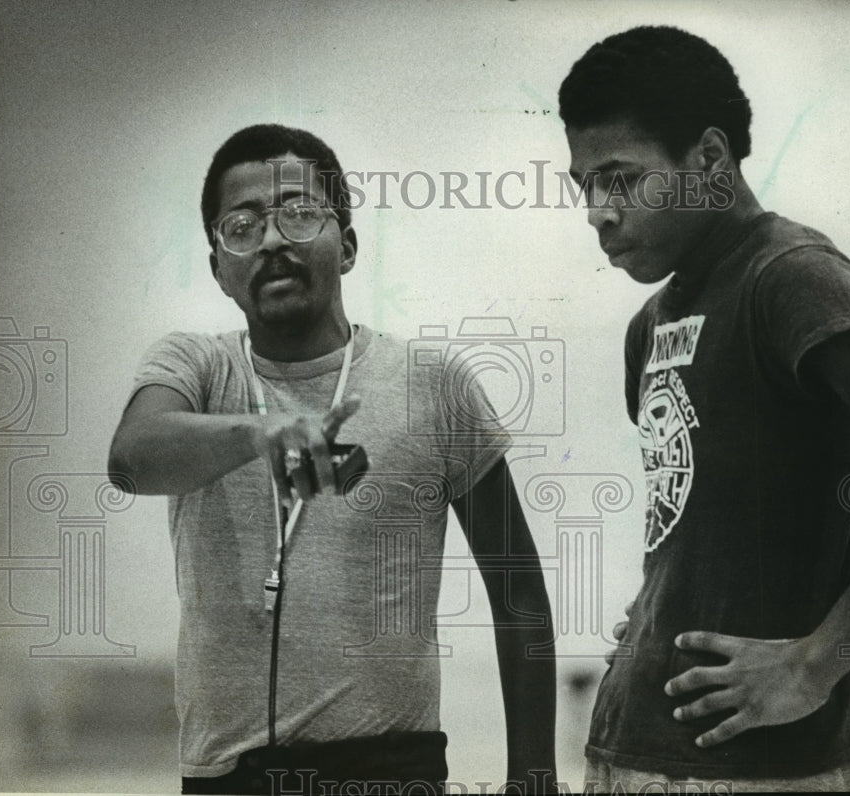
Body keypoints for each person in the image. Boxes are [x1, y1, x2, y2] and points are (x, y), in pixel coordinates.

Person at [557, 25, 850, 792]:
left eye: (620, 178)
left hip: (756, 765)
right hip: (634, 748)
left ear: (712, 161)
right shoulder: (648, 327)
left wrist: (814, 664)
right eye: (583, 184)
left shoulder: (790, 274)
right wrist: (659, 609)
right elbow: (695, 515)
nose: (597, 211)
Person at [108, 124, 556, 795]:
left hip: (393, 769)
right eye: (242, 224)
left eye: (298, 213)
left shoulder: (432, 383)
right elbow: (131, 460)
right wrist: (262, 433)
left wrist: (535, 777)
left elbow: (517, 591)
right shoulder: (195, 367)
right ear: (218, 267)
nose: (272, 240)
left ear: (345, 246)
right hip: (230, 777)